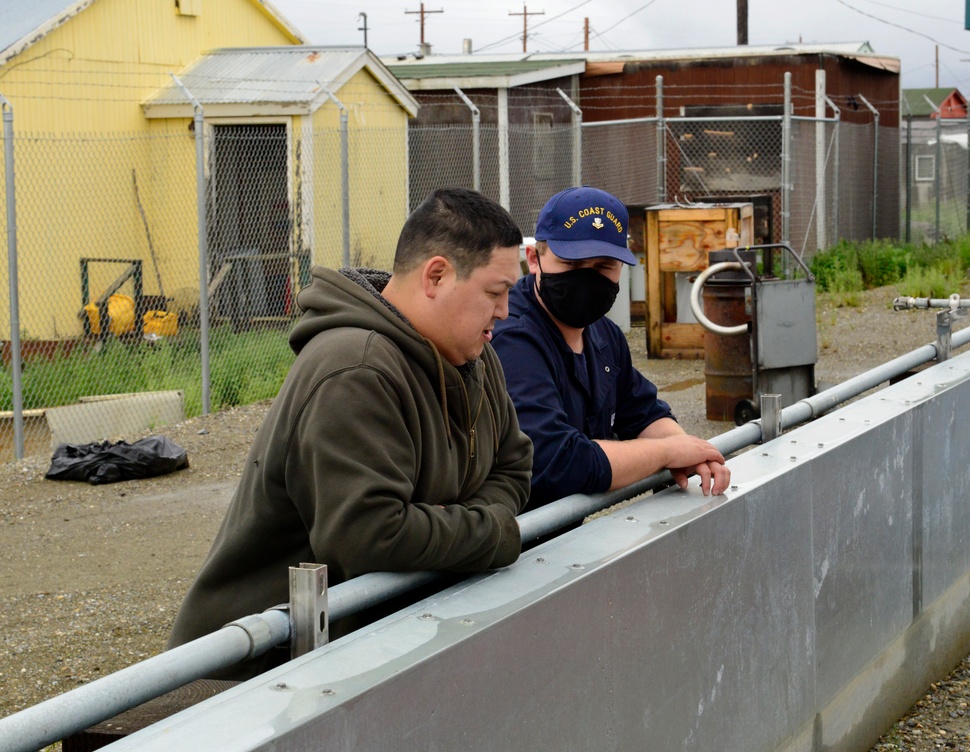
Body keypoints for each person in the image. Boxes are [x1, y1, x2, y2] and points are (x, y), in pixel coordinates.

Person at [168, 188, 532, 678]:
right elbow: (370, 535)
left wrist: (449, 524)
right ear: (437, 276)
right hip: (258, 672)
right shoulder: (354, 368)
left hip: (354, 649)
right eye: (495, 292)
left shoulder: (474, 357)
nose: (506, 311)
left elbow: (513, 464)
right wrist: (492, 533)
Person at [492, 186, 729, 511]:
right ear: (534, 259)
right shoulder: (512, 338)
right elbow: (557, 461)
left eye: (604, 266)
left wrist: (693, 452)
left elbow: (643, 413)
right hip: (513, 545)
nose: (587, 281)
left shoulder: (603, 333)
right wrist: (668, 453)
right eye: (572, 265)